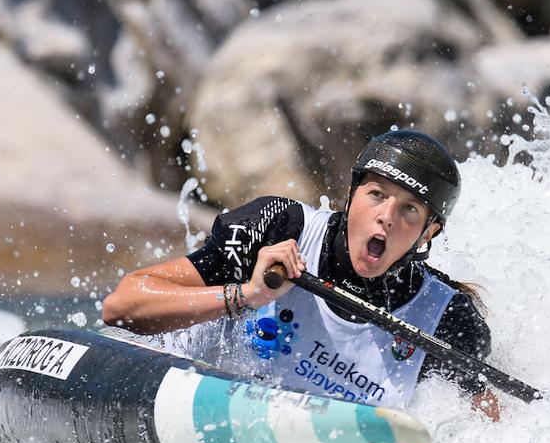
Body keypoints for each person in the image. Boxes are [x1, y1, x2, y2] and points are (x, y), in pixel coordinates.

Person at [103, 129, 500, 420]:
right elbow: (120, 306)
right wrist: (246, 295)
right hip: (186, 394)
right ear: (351, 195)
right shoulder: (278, 227)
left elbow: (488, 434)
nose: (386, 217)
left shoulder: (448, 323)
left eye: (410, 209)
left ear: (429, 232)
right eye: (376, 195)